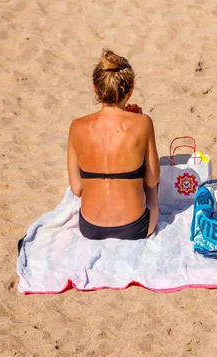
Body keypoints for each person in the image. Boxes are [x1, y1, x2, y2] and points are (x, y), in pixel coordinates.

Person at [67, 49, 160, 240]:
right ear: (130, 90)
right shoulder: (143, 122)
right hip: (137, 227)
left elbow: (77, 189)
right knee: (150, 180)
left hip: (90, 228)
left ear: (95, 88)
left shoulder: (77, 126)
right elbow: (152, 180)